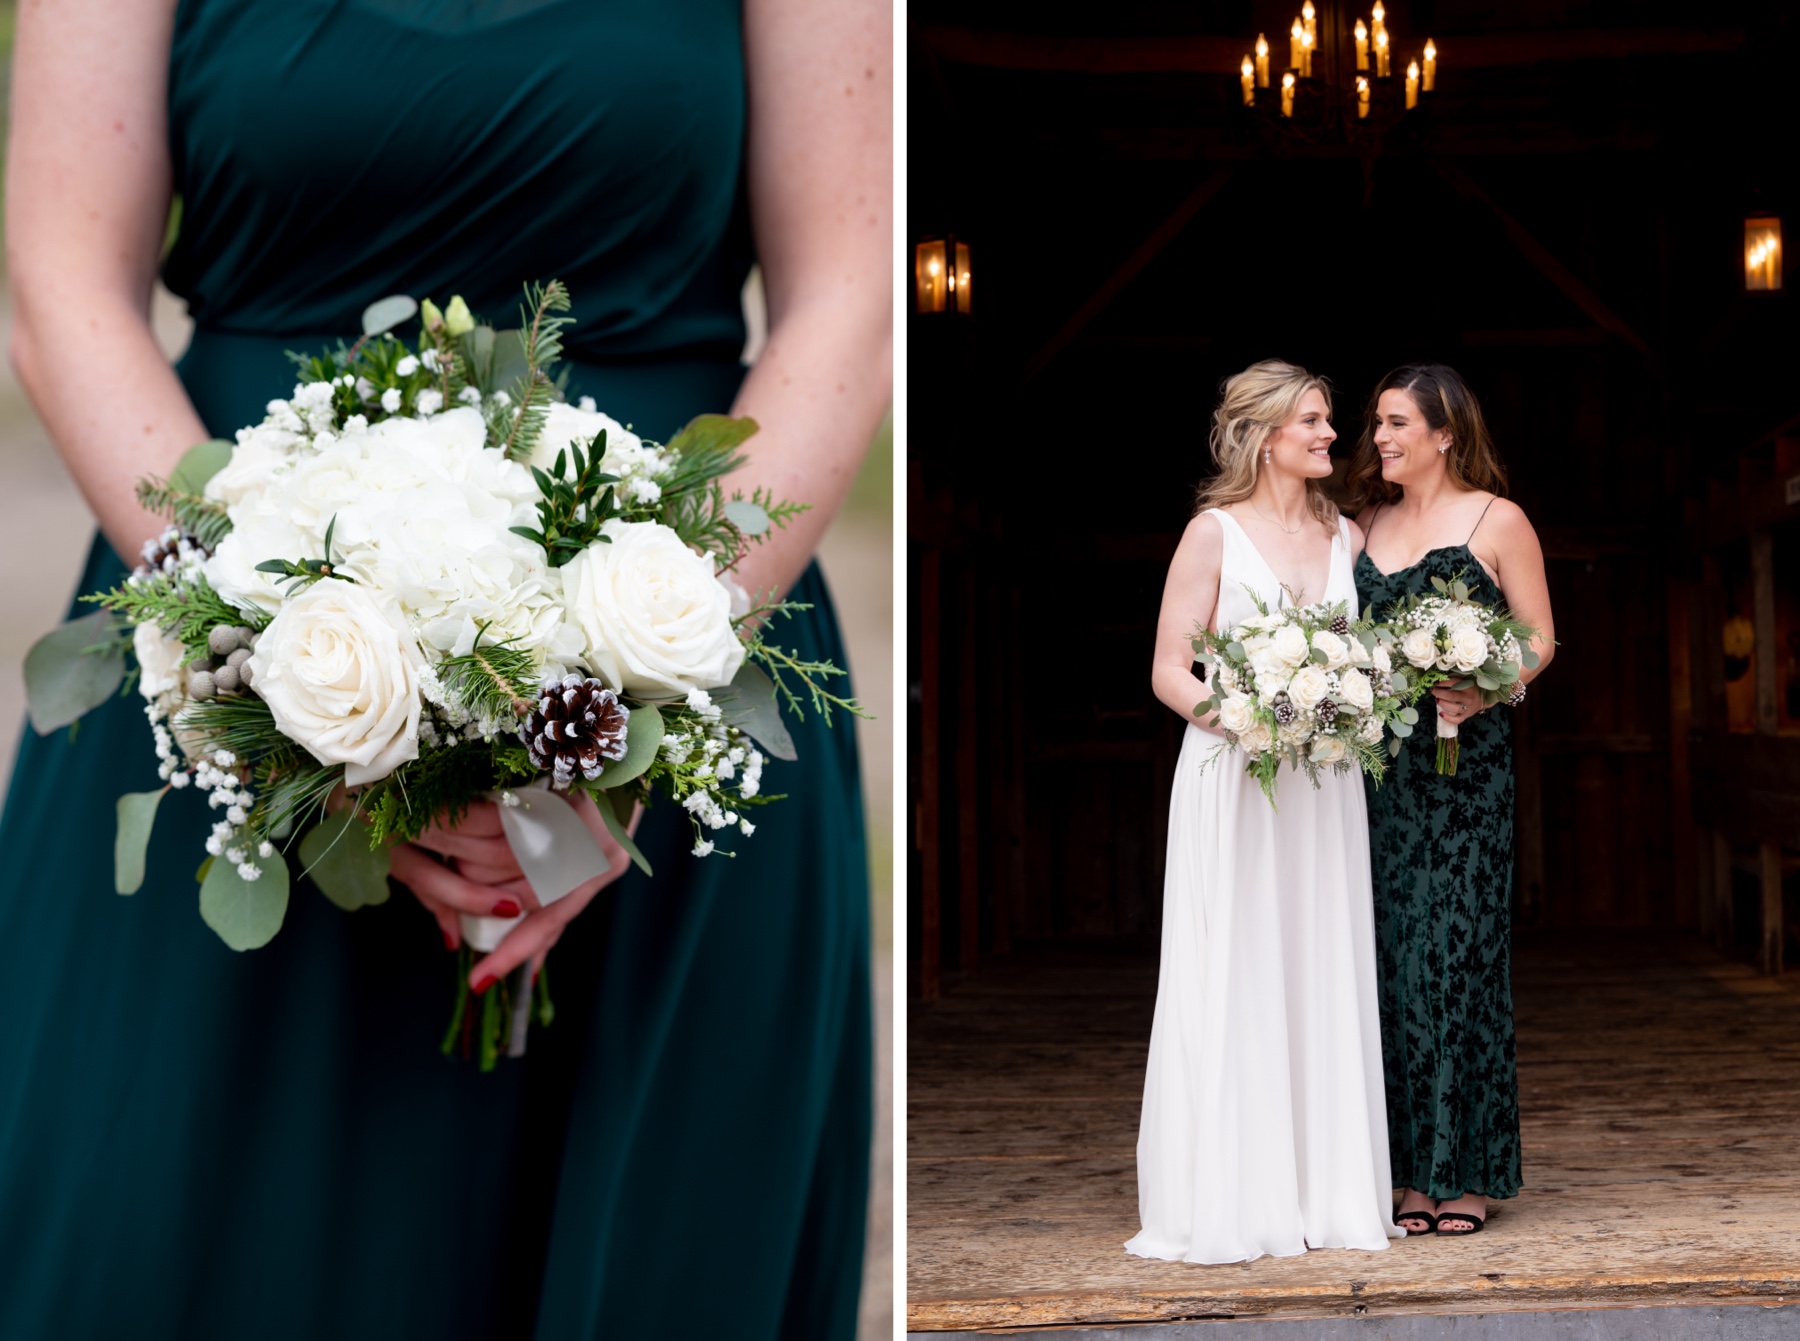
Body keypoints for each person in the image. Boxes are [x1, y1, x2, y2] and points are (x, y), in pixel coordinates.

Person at [0, 1, 890, 1336]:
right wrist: (279, 670)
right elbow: (58, 286)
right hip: (226, 683)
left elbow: (852, 297)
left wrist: (616, 705)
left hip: (687, 660)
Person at [1126, 360, 1401, 1265]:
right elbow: (1170, 668)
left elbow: (1367, 658)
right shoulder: (1212, 534)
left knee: (1318, 961)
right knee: (1237, 962)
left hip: (1321, 784)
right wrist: (1246, 718)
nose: (1332, 434)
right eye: (1315, 420)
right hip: (1235, 775)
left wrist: (1340, 706)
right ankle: (1237, 1195)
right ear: (1262, 435)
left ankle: (1327, 1189)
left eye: (1329, 420)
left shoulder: (1346, 539)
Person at [1348, 363, 1555, 1238]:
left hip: (1468, 775)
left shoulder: (1497, 520)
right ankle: (1405, 1171)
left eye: (1398, 423)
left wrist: (1488, 685)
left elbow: (1540, 638)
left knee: (1461, 957)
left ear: (1444, 432)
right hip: (1378, 778)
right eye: (1378, 422)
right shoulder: (1363, 524)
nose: (1382, 437)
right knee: (1390, 961)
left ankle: (1467, 1169)